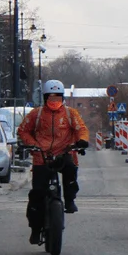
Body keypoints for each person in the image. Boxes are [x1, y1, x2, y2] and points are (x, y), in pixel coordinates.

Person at [17, 80, 90, 245]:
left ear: (62, 98)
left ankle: (70, 200)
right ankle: (35, 229)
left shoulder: (70, 114)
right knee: (37, 195)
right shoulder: (36, 114)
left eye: (57, 97)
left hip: (64, 152)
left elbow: (81, 129)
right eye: (51, 98)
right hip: (41, 155)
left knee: (70, 169)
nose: (54, 101)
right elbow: (23, 130)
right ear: (44, 98)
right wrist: (32, 145)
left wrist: (82, 141)